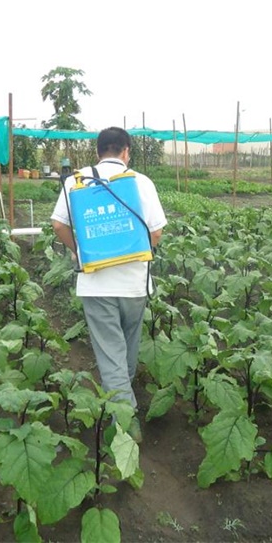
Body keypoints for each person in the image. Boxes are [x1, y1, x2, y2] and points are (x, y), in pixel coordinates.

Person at [50, 127, 167, 443]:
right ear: (127, 152)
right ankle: (124, 411)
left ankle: (124, 418)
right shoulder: (140, 182)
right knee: (126, 349)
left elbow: (58, 224)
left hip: (97, 284)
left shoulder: (77, 181)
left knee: (111, 353)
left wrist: (81, 251)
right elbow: (156, 231)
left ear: (98, 152)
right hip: (134, 284)